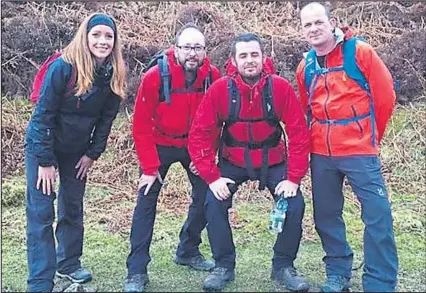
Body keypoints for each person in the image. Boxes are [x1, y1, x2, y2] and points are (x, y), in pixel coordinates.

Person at [188, 33, 311, 292]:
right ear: (234, 60)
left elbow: (299, 133)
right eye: (243, 55)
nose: (250, 60)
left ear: (264, 57)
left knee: (295, 203)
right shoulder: (220, 89)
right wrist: (212, 177)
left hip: (274, 161)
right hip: (233, 161)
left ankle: (283, 266)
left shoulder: (279, 88)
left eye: (254, 54)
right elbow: (199, 133)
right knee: (212, 202)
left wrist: (294, 178)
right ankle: (224, 266)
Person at [295, 2, 399, 292]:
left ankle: (379, 282)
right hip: (322, 154)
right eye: (307, 25)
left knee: (377, 215)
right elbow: (307, 108)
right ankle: (337, 273)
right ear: (302, 31)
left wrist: (369, 137)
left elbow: (385, 96)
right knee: (326, 215)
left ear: (333, 23)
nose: (314, 29)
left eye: (318, 22)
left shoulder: (360, 53)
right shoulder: (306, 66)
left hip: (359, 151)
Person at [24, 13, 126, 292]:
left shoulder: (113, 74)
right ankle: (40, 281)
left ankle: (68, 264)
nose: (102, 41)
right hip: (43, 146)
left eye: (108, 36)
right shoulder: (63, 68)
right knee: (41, 212)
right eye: (96, 35)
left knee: (72, 207)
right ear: (85, 36)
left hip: (77, 151)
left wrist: (92, 154)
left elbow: (106, 121)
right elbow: (42, 117)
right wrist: (45, 162)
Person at [124, 23, 222, 292]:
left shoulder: (212, 76)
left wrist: (205, 154)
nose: (192, 53)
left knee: (208, 195)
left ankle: (188, 250)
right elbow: (141, 123)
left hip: (194, 144)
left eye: (198, 48)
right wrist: (148, 166)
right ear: (176, 49)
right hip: (159, 143)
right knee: (146, 201)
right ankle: (136, 271)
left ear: (205, 51)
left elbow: (216, 120)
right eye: (187, 47)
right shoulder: (156, 76)